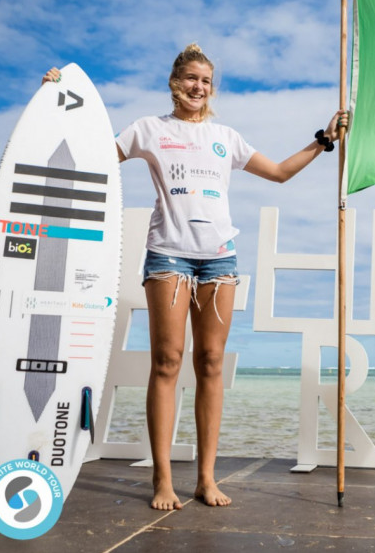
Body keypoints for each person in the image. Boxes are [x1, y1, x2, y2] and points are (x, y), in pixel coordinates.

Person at [43, 44, 345, 510]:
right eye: (190, 79)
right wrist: (57, 107)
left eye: (205, 81)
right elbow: (92, 158)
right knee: (166, 362)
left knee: (210, 365)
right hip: (168, 258)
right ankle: (162, 481)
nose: (197, 87)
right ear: (173, 83)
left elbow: (281, 173)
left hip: (219, 263)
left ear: (211, 88)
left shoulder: (226, 137)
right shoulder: (149, 129)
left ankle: (206, 479)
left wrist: (323, 140)